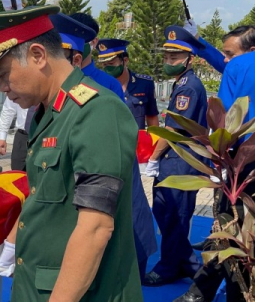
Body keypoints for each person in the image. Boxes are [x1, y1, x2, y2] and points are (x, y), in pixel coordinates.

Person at [0, 5, 142, 301]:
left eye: (4, 75)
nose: (2, 88)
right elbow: (42, 191)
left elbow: (95, 228)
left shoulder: (97, 112)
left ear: (38, 56)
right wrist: (14, 243)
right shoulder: (49, 112)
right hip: (38, 282)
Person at [174, 51, 255, 302]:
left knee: (232, 233)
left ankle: (208, 293)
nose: (226, 58)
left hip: (242, 166)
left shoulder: (241, 65)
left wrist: (218, 162)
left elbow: (225, 124)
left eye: (229, 53)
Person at [143, 26, 208, 287]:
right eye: (167, 57)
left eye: (175, 58)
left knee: (174, 215)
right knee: (165, 211)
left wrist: (154, 158)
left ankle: (169, 267)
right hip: (176, 160)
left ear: (189, 59)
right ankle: (189, 263)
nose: (169, 62)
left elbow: (172, 130)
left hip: (180, 160)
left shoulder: (188, 87)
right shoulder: (181, 83)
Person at [97, 38, 159, 280]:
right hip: (106, 155)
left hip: (134, 159)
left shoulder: (144, 84)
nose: (108, 66)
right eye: (104, 62)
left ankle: (139, 265)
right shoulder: (98, 83)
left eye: (112, 61)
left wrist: (153, 154)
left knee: (137, 210)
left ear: (125, 60)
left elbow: (152, 120)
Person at [97, 39, 159, 129]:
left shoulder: (144, 83)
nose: (108, 68)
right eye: (104, 65)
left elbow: (152, 117)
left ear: (125, 60)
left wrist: (155, 141)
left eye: (111, 63)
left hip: (137, 141)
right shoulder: (98, 85)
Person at [68, 12, 125, 99]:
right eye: (69, 39)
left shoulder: (110, 85)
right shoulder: (55, 79)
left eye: (79, 40)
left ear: (94, 42)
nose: (73, 45)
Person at [0, 97, 27, 171]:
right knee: (17, 170)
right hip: (23, 135)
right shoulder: (18, 86)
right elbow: (8, 109)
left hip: (44, 135)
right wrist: (2, 137)